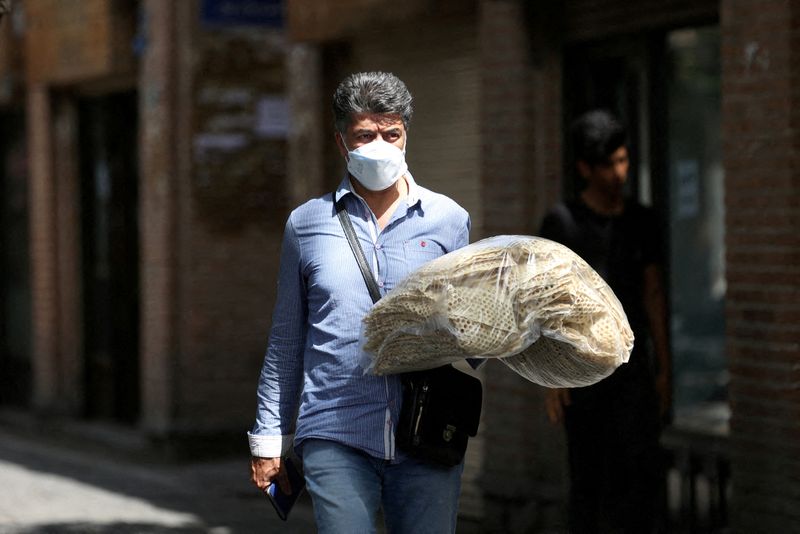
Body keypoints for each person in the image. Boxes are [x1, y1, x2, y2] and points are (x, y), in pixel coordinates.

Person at [248, 71, 471, 533]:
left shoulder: (449, 220)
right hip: (334, 429)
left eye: (392, 134)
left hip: (426, 430)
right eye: (365, 135)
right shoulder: (307, 224)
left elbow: (472, 335)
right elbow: (287, 339)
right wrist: (269, 439)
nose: (381, 146)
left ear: (407, 134)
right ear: (341, 141)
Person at [539, 110, 671, 533]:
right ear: (585, 169)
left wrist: (665, 368)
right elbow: (546, 301)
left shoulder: (642, 220)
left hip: (633, 373)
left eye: (623, 160)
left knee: (639, 481)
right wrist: (551, 374)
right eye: (609, 164)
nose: (619, 172)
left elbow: (653, 293)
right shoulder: (563, 223)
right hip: (582, 373)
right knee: (589, 485)